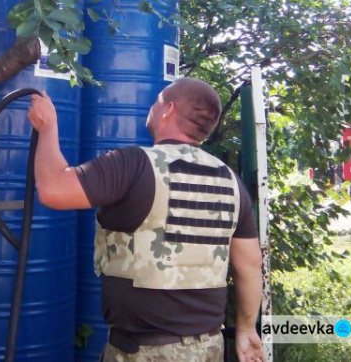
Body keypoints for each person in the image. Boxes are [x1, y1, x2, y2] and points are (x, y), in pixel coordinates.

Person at [27, 77, 266, 362]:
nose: (151, 107)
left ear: (167, 110)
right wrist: (246, 329)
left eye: (156, 101)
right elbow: (250, 264)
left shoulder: (134, 164)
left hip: (145, 352)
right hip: (208, 349)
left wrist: (47, 127)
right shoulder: (231, 182)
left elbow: (54, 190)